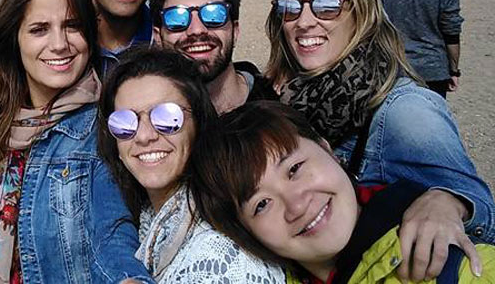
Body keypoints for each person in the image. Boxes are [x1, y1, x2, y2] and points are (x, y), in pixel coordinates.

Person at [264, 0, 494, 280]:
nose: (303, 21)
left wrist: (446, 201)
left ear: (361, 15)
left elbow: (480, 212)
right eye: (291, 7)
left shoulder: (405, 110)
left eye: (326, 6)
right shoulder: (288, 100)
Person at [0, 0, 153, 284]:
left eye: (72, 26)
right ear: (14, 38)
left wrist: (129, 278)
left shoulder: (104, 128)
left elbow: (111, 234)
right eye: (39, 29)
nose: (60, 44)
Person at [190, 101, 494, 284]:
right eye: (261, 204)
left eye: (294, 169)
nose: (296, 205)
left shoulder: (464, 267)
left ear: (327, 149)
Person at [98, 47, 284, 284]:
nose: (144, 136)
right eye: (124, 122)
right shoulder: (148, 225)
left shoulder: (217, 258)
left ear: (199, 124)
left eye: (167, 117)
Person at [148, 0, 278, 114]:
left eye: (213, 15)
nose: (196, 30)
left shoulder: (277, 110)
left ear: (235, 30)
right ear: (157, 37)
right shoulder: (149, 123)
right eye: (176, 18)